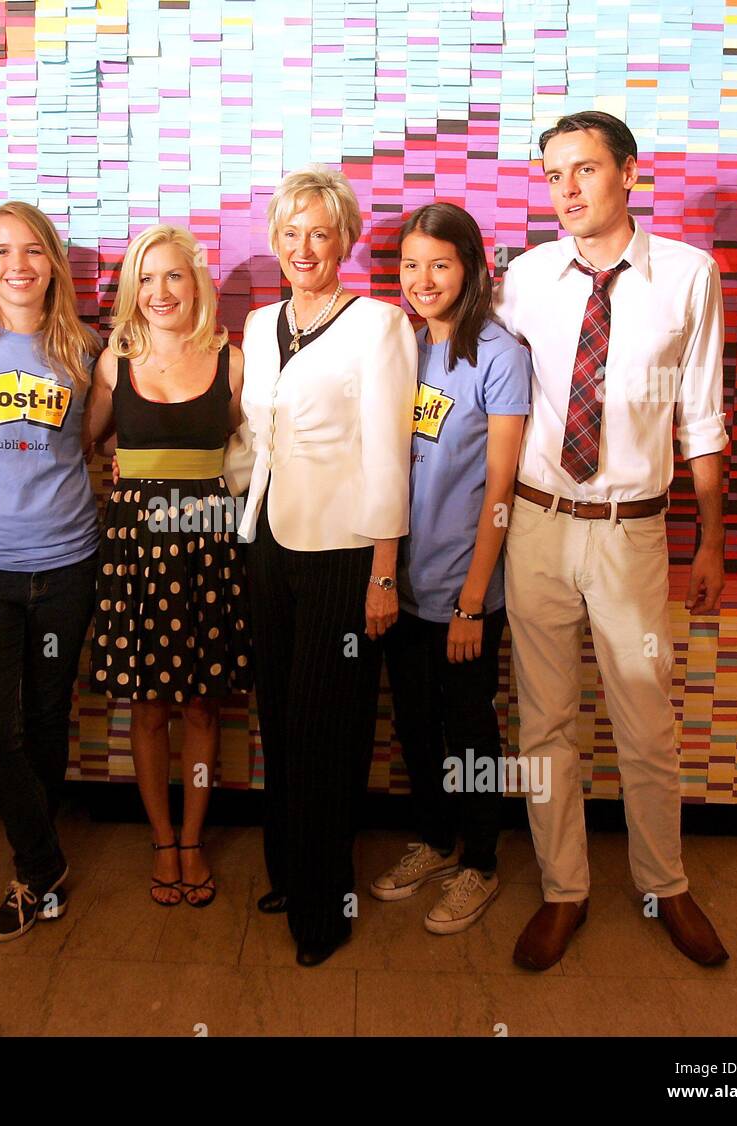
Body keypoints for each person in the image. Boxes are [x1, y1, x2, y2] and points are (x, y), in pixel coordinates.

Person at [495, 110, 731, 970]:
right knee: (544, 722)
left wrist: (710, 541)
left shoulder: (688, 276)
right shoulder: (526, 277)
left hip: (633, 531)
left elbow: (702, 415)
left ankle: (665, 882)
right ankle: (564, 890)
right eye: (553, 174)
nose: (567, 189)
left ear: (629, 172)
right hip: (536, 524)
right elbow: (495, 396)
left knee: (645, 719)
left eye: (585, 169)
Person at [239, 165, 417, 966]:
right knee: (279, 719)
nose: (304, 247)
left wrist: (384, 571)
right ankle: (289, 870)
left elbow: (388, 454)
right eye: (291, 232)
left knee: (324, 730)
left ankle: (324, 907)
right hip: (269, 543)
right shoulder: (258, 323)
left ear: (345, 240)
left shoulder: (379, 325)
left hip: (345, 552)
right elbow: (258, 439)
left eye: (320, 232)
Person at [0, 202, 102, 943]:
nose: (17, 265)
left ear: (53, 264)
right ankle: (44, 860)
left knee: (44, 720)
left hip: (68, 562)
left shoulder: (86, 348)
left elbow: (94, 444)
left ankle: (31, 876)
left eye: (32, 250)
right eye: (1, 251)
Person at [370, 203, 530, 934]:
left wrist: (472, 601)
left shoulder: (499, 353)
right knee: (414, 723)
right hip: (401, 583)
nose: (423, 279)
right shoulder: (404, 349)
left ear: (470, 268)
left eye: (439, 264)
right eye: (411, 265)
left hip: (466, 590)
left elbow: (501, 488)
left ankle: (482, 863)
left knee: (470, 731)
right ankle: (435, 842)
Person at [83, 225, 251, 909]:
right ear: (132, 290)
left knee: (203, 705)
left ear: (197, 283)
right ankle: (161, 841)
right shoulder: (112, 363)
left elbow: (253, 446)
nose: (160, 291)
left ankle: (193, 838)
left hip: (208, 546)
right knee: (148, 706)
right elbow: (84, 440)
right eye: (146, 279)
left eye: (174, 275)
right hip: (134, 549)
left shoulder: (232, 361)